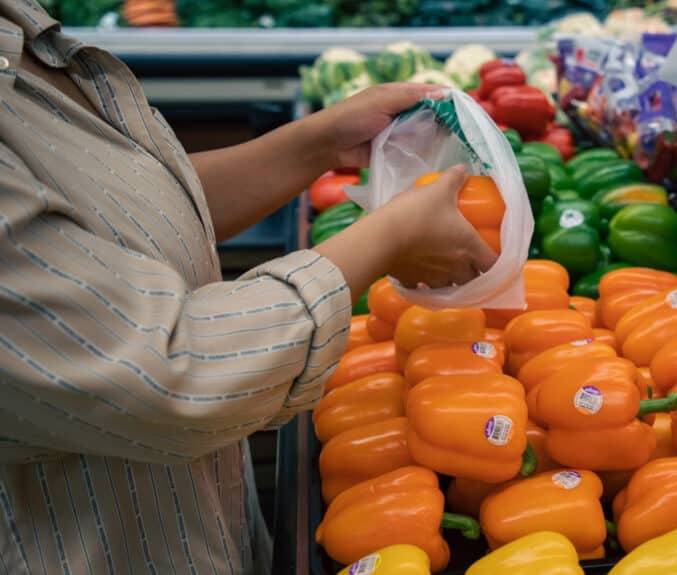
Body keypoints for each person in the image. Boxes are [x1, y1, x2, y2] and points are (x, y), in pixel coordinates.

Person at [0, 1, 498, 573]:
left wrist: (317, 144)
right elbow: (161, 373)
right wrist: (385, 239)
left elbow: (117, 220)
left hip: (195, 522)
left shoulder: (24, 29)